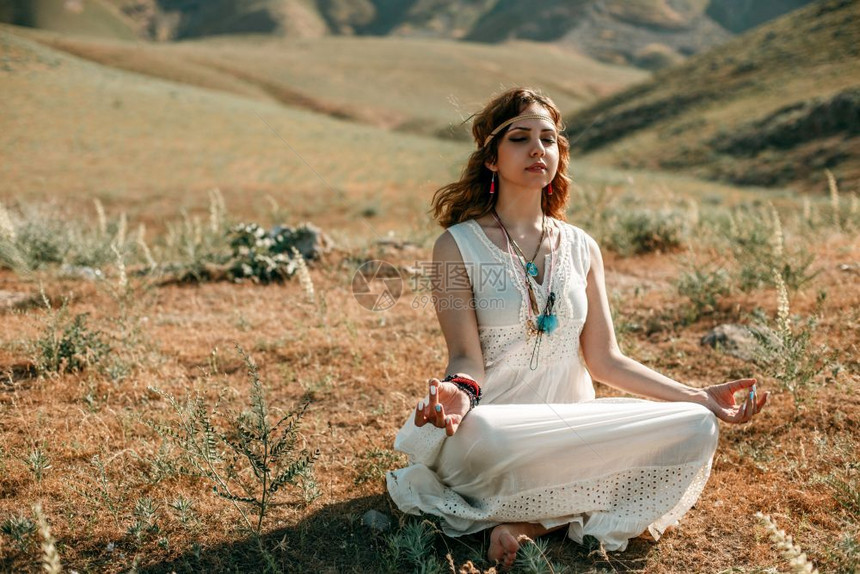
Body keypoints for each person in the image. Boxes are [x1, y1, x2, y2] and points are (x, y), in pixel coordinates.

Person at [385, 87, 768, 569]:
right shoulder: (454, 246)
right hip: (495, 431)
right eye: (520, 138)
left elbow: (606, 359)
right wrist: (458, 391)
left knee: (694, 425)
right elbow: (465, 357)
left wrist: (697, 395)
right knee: (493, 435)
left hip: (572, 428)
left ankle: (528, 523)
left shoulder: (582, 246)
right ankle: (562, 509)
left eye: (547, 139)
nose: (536, 149)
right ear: (491, 159)